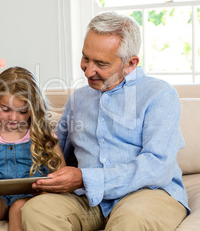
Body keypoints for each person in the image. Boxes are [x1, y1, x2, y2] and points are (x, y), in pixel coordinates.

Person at [21, 12, 190, 230]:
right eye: (85, 58)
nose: (88, 71)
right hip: (88, 200)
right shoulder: (78, 99)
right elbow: (55, 152)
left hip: (148, 194)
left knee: (131, 220)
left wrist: (85, 178)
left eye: (100, 63)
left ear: (130, 63)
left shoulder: (159, 95)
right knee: (36, 210)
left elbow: (157, 166)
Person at [0, 66, 66, 231]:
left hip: (30, 198)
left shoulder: (43, 134)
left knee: (20, 208)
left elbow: (62, 174)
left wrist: (47, 191)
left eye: (22, 111)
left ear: (32, 109)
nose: (13, 118)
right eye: (5, 109)